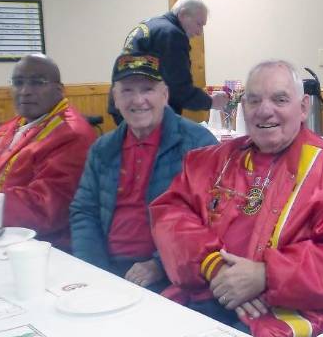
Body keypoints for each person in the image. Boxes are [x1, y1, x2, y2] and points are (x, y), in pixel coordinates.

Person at [150, 60, 323, 337]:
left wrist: (266, 275)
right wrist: (213, 265)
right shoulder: (209, 162)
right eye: (254, 100)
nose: (264, 110)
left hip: (288, 320)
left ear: (304, 107)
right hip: (206, 292)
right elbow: (170, 214)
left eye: (280, 99)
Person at [70, 53, 217, 291]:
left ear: (165, 95)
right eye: (127, 91)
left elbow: (212, 217)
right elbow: (84, 211)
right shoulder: (102, 149)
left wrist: (159, 264)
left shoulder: (198, 144)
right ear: (115, 98)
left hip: (169, 275)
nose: (138, 100)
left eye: (147, 89)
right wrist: (93, 270)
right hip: (107, 267)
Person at [0, 54, 97, 249]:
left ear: (59, 90)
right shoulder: (18, 124)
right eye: (18, 82)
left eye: (37, 83)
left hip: (41, 247)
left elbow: (45, 208)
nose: (25, 91)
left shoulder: (72, 135)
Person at [107, 0, 228, 124]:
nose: (199, 32)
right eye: (199, 24)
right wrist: (211, 102)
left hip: (125, 103)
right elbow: (178, 87)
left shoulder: (150, 25)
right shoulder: (171, 34)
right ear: (182, 15)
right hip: (144, 109)